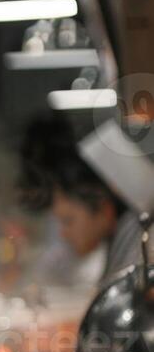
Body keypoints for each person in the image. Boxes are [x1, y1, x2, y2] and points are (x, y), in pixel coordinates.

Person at [58, 120, 154, 283]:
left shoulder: (145, 234)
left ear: (105, 207)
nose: (63, 233)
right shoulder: (125, 231)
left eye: (69, 220)